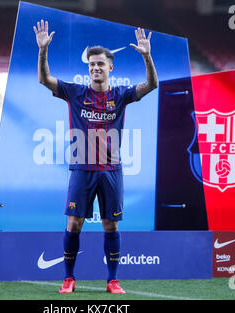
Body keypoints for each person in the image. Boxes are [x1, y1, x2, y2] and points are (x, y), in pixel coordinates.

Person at [33, 19, 158, 294]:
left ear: (110, 67)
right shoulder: (75, 92)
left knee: (110, 223)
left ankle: (113, 280)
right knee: (74, 222)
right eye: (91, 64)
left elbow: (151, 84)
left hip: (111, 170)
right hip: (82, 169)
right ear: (88, 68)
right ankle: (69, 278)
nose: (95, 68)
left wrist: (147, 57)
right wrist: (43, 51)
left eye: (100, 63)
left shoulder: (120, 95)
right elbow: (44, 79)